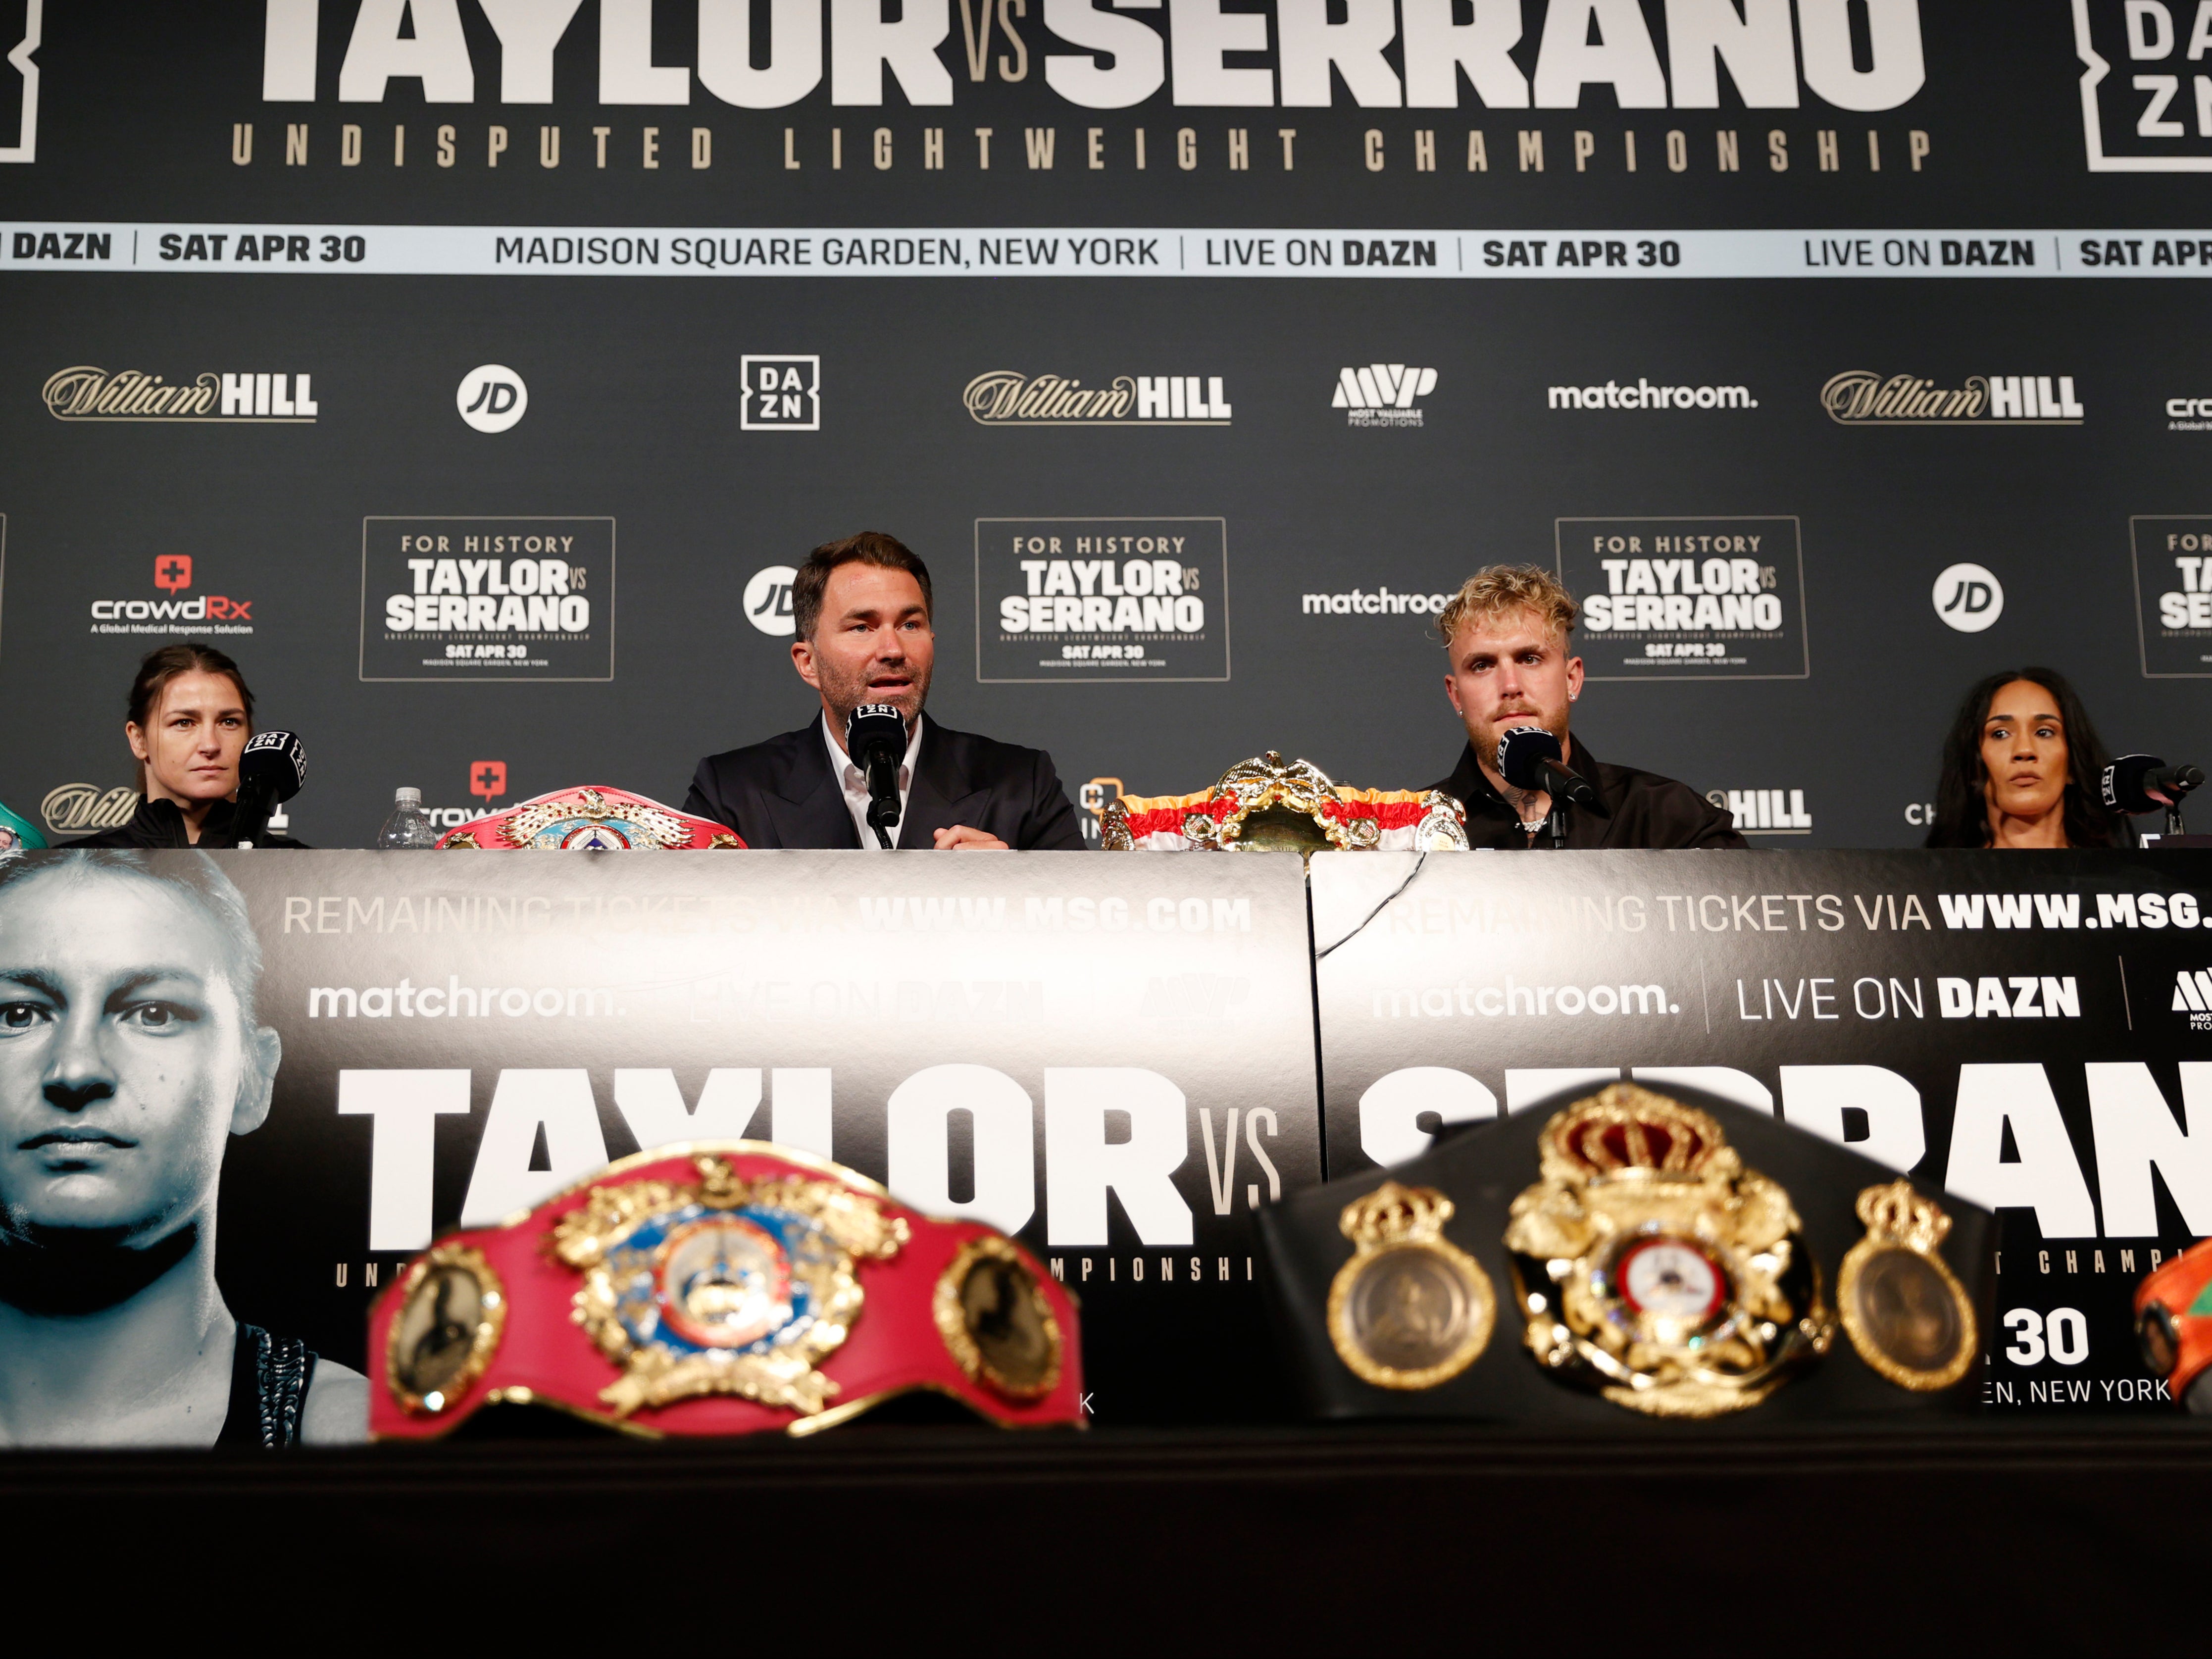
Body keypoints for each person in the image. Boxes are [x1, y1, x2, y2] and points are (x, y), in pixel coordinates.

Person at [0, 850, 365, 1445]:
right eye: (19, 1014)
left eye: (154, 1012)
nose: (74, 1069)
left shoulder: (357, 1447)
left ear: (254, 1078)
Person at [685, 532, 1086, 851]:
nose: (893, 650)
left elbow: (1085, 935)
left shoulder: (1022, 784)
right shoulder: (732, 793)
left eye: (910, 624)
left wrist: (1014, 893)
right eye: (862, 627)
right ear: (808, 662)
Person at [1429, 565, 1745, 850]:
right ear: (1456, 695)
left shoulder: (1669, 820)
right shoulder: (1409, 829)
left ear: (1572, 679)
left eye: (1529, 659)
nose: (1510, 686)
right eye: (1483, 665)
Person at [68, 642, 306, 850]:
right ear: (138, 739)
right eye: (184, 722)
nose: (211, 745)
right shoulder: (75, 868)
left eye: (229, 722)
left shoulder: (302, 870)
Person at [1923, 668, 2132, 849]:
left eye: (2044, 732)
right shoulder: (1937, 886)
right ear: (1974, 766)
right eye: (2000, 734)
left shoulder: (2124, 885)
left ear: (2072, 765)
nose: (2024, 750)